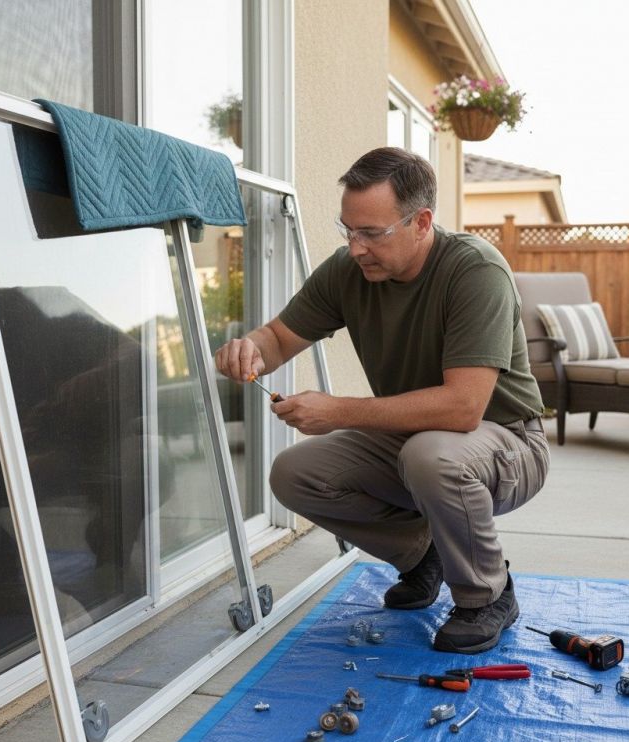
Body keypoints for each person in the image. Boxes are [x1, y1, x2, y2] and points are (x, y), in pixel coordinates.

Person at [214, 147, 550, 654]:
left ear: (421, 222)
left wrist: (337, 411)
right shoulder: (350, 270)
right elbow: (280, 338)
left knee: (430, 455)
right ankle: (423, 557)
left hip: (507, 443)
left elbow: (463, 408)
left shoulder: (475, 272)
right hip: (417, 441)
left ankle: (488, 595)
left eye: (372, 233)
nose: (356, 247)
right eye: (348, 230)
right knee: (295, 472)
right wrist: (250, 349)